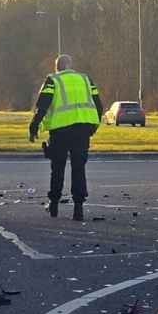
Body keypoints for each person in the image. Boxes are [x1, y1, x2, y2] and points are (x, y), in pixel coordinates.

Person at [28, 55, 102, 221]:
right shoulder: (85, 79)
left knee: (57, 168)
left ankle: (54, 204)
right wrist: (92, 128)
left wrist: (34, 128)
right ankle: (78, 209)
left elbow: (42, 106)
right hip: (82, 131)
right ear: (71, 66)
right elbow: (99, 105)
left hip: (60, 131)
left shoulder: (53, 80)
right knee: (79, 168)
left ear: (57, 67)